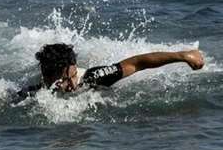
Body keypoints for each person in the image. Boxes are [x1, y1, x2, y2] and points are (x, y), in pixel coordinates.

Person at [18, 43, 204, 98]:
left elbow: (138, 62)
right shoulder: (35, 91)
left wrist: (182, 56)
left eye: (51, 75)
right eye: (47, 75)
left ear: (70, 69)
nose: (47, 78)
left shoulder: (93, 77)